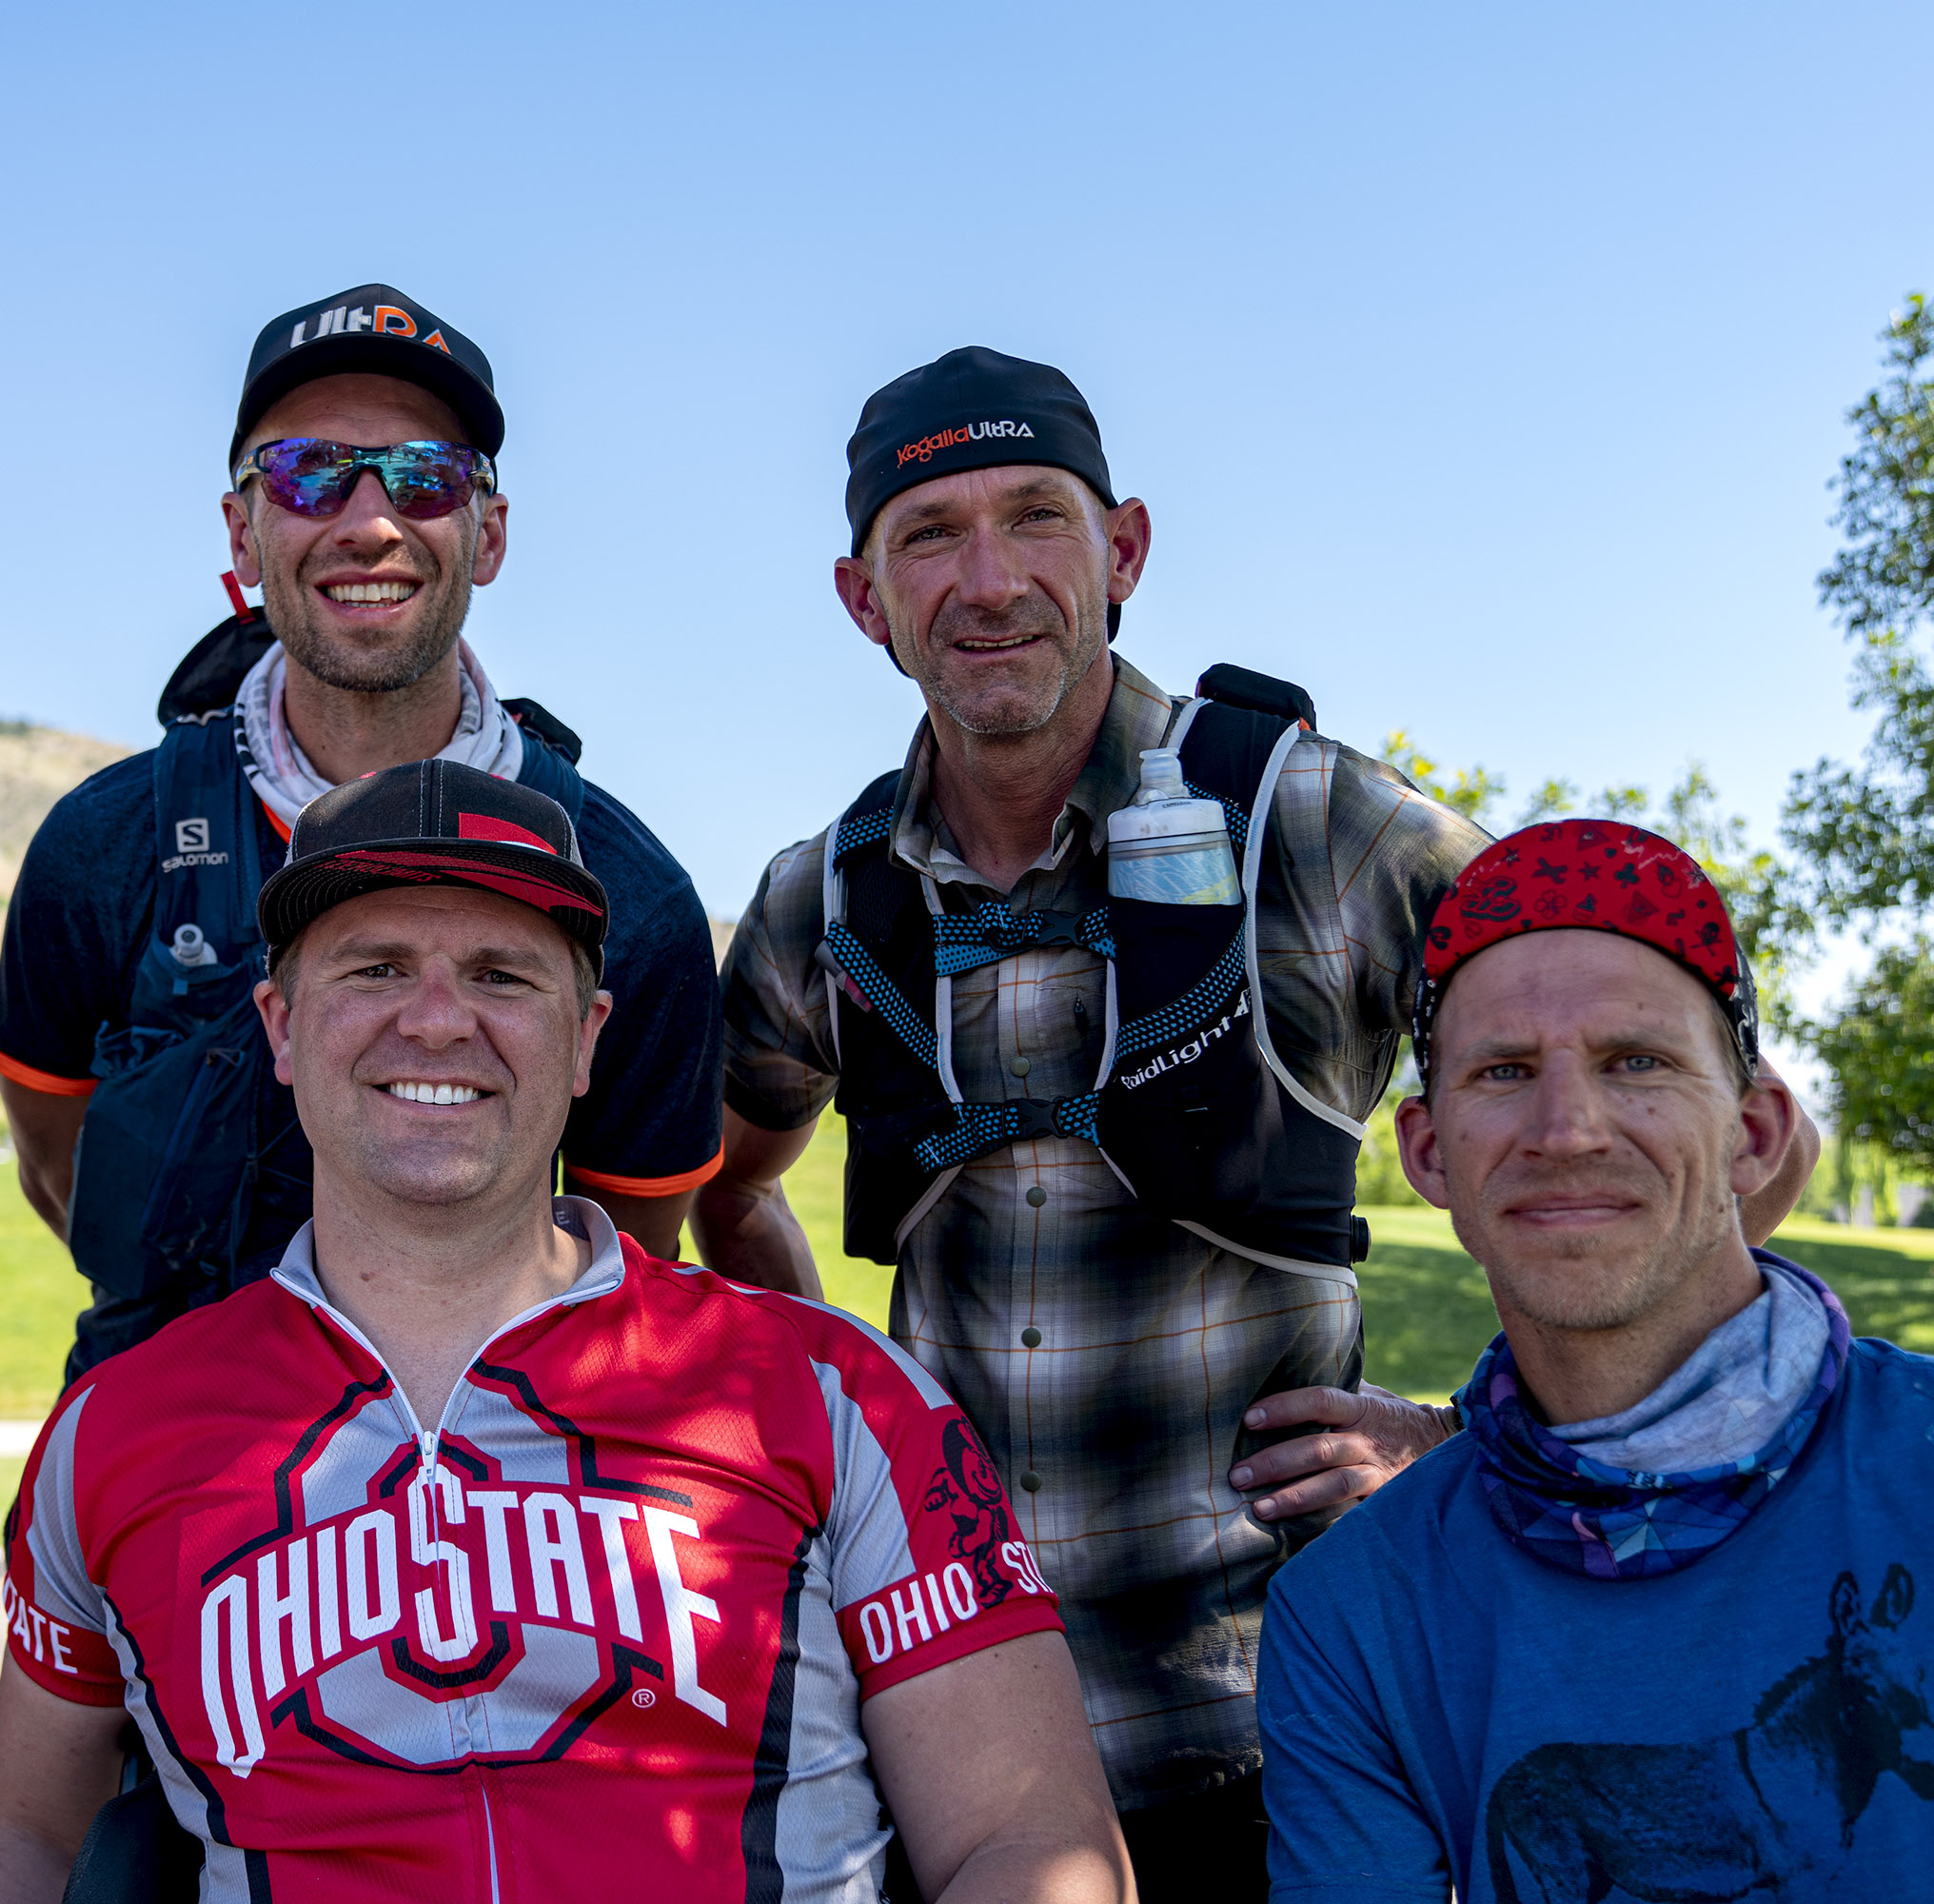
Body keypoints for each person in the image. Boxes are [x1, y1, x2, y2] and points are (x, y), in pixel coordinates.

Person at [694, 347, 1823, 1895]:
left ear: (1125, 550)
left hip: (1298, 1743)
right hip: (946, 1749)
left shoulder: (1315, 823)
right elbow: (722, 1188)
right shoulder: (823, 900)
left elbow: (1714, 1131)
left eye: (1037, 518)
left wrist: (1479, 1440)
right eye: (931, 536)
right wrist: (837, 1422)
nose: (990, 580)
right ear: (861, 598)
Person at [0, 760, 1135, 1902]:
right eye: (375, 968)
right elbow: (25, 1828)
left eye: (503, 975)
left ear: (587, 1036)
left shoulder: (837, 1395)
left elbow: (1031, 1836)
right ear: (282, 1028)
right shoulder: (115, 1433)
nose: (438, 1021)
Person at [0, 284, 722, 1378]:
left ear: (488, 533)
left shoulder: (629, 891)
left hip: (491, 1457)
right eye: (306, 471)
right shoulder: (103, 848)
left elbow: (629, 1261)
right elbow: (58, 1169)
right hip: (160, 1433)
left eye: (425, 476)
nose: (370, 522)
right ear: (243, 531)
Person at [1259, 820, 1926, 1897]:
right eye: (1505, 1069)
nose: (1566, 1128)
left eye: (1636, 1062)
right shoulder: (1350, 1617)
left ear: (1754, 1133)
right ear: (1429, 1153)